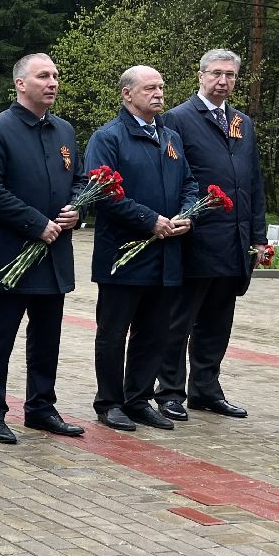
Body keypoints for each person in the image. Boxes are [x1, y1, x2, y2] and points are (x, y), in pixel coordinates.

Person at [0, 54, 87, 444]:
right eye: (43, 76)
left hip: (54, 257)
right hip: (13, 256)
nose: (52, 82)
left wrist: (77, 209)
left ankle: (41, 407)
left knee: (47, 338)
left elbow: (80, 179)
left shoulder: (64, 130)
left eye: (55, 75)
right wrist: (36, 224)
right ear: (20, 84)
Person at [148, 49, 267, 420]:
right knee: (179, 321)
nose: (223, 81)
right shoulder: (178, 119)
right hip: (195, 239)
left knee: (217, 322)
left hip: (234, 242)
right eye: (216, 73)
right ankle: (170, 392)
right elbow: (171, 176)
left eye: (230, 75)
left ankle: (206, 389)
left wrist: (258, 238)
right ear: (200, 75)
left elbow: (253, 183)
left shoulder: (242, 123)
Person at [83, 65, 198, 431]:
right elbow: (102, 193)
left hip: (165, 255)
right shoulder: (108, 138)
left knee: (153, 333)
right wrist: (150, 220)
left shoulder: (170, 137)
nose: (159, 93)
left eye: (161, 86)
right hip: (123, 255)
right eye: (149, 88)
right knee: (114, 333)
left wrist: (188, 214)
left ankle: (138, 399)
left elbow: (190, 183)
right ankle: (109, 402)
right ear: (127, 94)